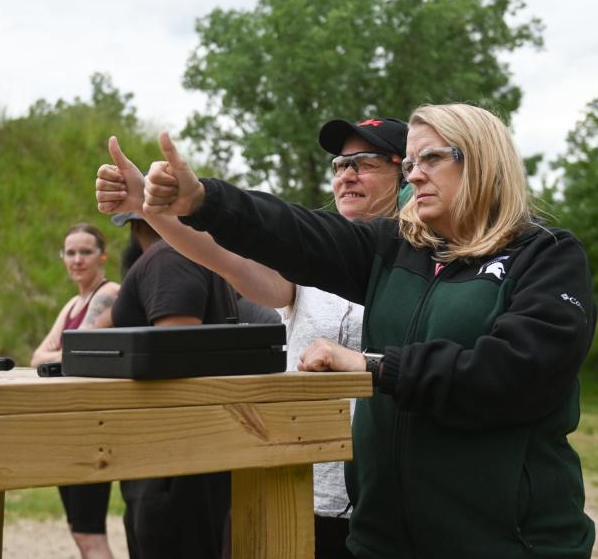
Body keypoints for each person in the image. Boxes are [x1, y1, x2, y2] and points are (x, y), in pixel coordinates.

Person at [108, 104, 596, 558]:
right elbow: (293, 230)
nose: (416, 174)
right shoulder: (394, 249)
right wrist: (203, 200)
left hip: (504, 543)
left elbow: (519, 370)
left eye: (430, 158)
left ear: (483, 161)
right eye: (409, 165)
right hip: (380, 542)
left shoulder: (546, 255)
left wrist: (376, 367)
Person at [96, 116, 407, 558]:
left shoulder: (423, 263)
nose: (347, 174)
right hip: (289, 485)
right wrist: (149, 208)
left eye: (367, 162)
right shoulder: (308, 259)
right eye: (340, 165)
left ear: (407, 172)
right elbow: (224, 258)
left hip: (382, 504)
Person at [109, 210, 236, 559]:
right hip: (181, 457)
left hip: (173, 459)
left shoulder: (168, 258)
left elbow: (177, 354)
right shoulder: (185, 256)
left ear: (136, 226)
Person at [31, 224, 120, 559]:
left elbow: (78, 351)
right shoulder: (72, 304)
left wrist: (63, 353)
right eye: (70, 252)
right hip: (69, 421)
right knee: (79, 531)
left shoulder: (110, 294)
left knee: (89, 532)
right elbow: (38, 356)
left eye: (86, 252)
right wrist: (64, 353)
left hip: (93, 421)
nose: (77, 259)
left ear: (102, 256)